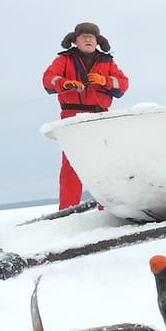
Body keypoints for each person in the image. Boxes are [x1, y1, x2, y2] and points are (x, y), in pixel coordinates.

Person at [42, 21, 129, 208]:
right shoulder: (63, 60)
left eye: (92, 36)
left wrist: (104, 80)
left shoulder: (108, 61)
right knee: (71, 165)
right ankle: (67, 209)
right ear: (76, 41)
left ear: (97, 41)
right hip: (72, 118)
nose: (88, 39)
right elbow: (48, 80)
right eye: (84, 36)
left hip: (99, 118)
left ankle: (107, 207)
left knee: (103, 163)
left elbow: (122, 84)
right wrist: (65, 83)